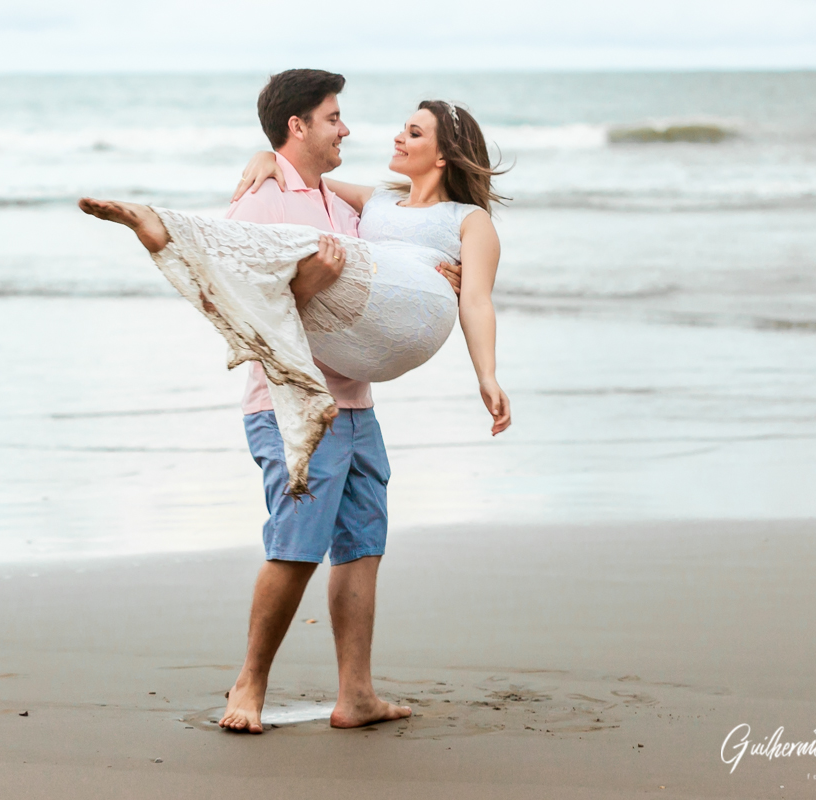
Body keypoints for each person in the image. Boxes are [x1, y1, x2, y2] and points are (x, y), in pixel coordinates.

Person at [78, 69, 511, 733]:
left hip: (356, 405)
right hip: (292, 404)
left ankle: (356, 694)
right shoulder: (266, 199)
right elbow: (234, 286)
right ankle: (246, 688)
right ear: (297, 127)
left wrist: (434, 279)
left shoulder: (349, 209)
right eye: (335, 117)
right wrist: (298, 263)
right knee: (296, 546)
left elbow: (386, 277)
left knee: (362, 544)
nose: (349, 129)